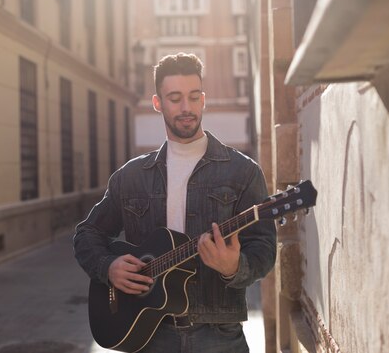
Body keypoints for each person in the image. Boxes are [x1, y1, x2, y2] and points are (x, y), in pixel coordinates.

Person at [73, 53, 276, 353]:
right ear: (158, 103)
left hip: (219, 336)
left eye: (194, 97)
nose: (186, 108)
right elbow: (87, 235)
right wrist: (108, 267)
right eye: (175, 98)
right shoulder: (130, 177)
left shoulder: (243, 171)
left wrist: (235, 267)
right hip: (149, 335)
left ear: (203, 99)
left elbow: (265, 248)